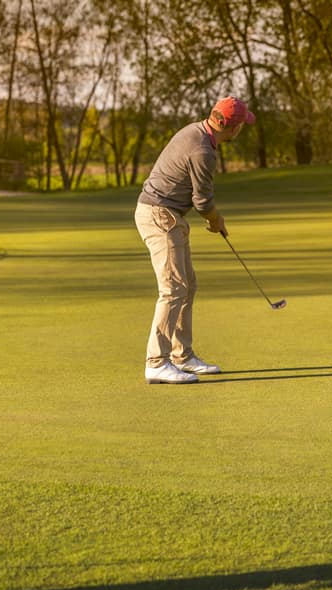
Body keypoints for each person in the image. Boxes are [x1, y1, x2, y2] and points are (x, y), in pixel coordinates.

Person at [135, 96, 256, 384]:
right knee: (174, 289)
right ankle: (156, 362)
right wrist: (216, 220)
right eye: (241, 124)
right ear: (233, 126)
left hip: (167, 214)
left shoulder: (194, 130)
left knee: (187, 285)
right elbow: (202, 202)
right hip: (159, 215)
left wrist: (213, 217)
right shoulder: (204, 151)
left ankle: (182, 355)